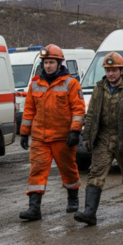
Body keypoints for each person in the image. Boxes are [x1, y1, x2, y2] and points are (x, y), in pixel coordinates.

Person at [74, 52, 123, 226]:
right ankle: (90, 212)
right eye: (107, 70)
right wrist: (87, 136)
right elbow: (91, 114)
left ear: (121, 70)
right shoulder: (99, 88)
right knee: (96, 173)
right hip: (103, 137)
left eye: (114, 70)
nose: (110, 73)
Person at [19, 45, 86, 221]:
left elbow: (78, 110)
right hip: (40, 137)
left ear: (59, 63)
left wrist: (74, 131)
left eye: (51, 62)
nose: (48, 66)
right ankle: (34, 208)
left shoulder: (70, 84)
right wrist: (24, 133)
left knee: (68, 169)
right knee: (37, 170)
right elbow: (29, 110)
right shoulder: (35, 83)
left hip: (63, 137)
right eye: (46, 62)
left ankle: (73, 199)